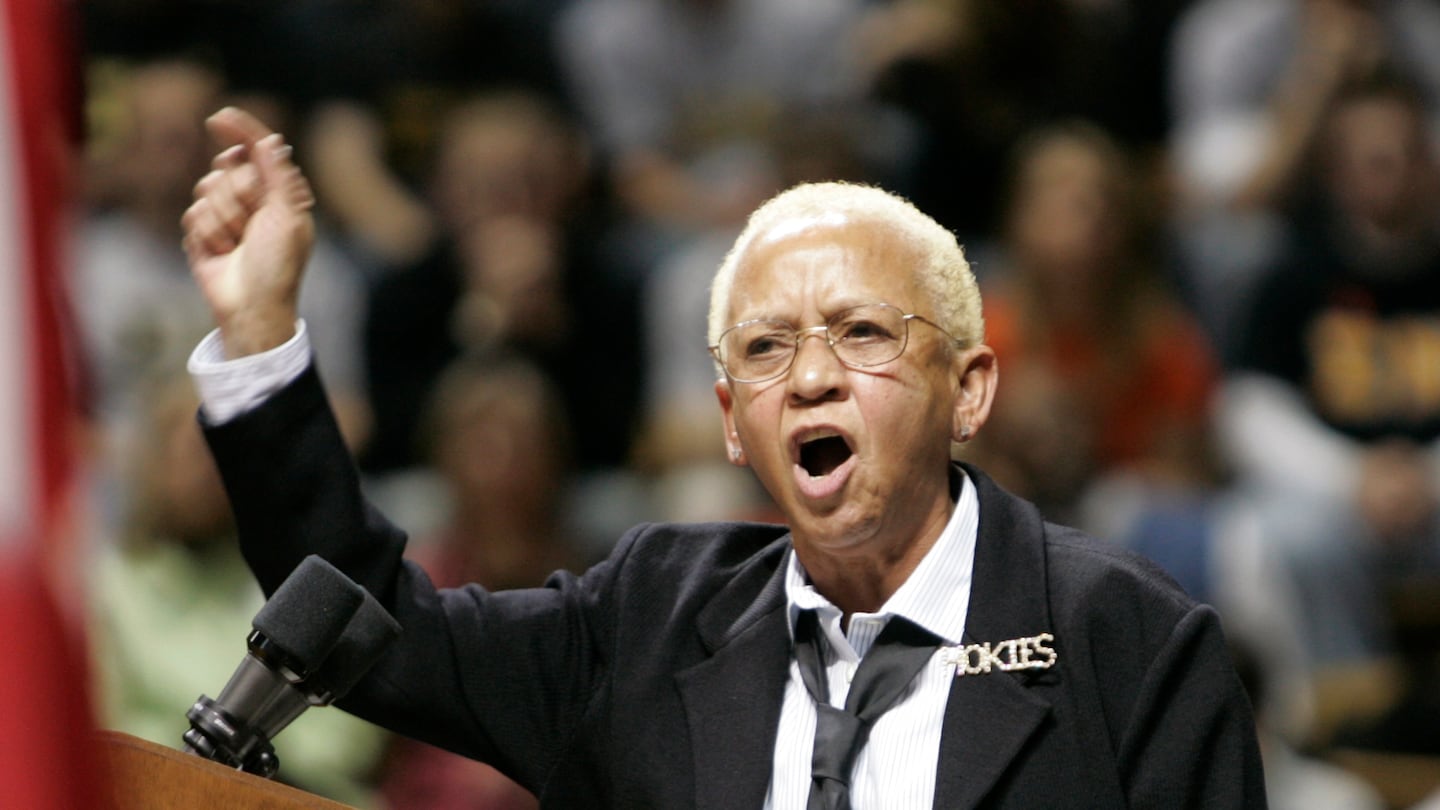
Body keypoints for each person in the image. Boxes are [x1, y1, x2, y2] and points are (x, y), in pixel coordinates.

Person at [180, 107, 1265, 807]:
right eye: (766, 349)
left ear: (969, 390)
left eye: (865, 332)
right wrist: (262, 332)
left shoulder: (1125, 640)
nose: (810, 377)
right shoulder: (650, 620)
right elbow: (365, 628)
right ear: (733, 423)